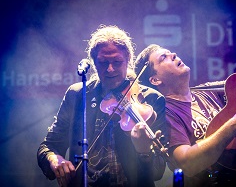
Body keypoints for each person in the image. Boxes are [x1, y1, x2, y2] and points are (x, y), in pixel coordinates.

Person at [134, 0, 236, 187]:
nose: (173, 55)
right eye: (164, 58)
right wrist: (235, 123)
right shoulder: (166, 112)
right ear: (155, 80)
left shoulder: (209, 92)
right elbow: (187, 163)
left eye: (170, 52)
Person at [37, 25, 167, 187]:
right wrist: (55, 160)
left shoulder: (151, 100)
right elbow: (48, 147)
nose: (110, 69)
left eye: (117, 62)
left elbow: (158, 171)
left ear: (128, 59)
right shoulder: (78, 95)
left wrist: (144, 152)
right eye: (103, 62)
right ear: (94, 62)